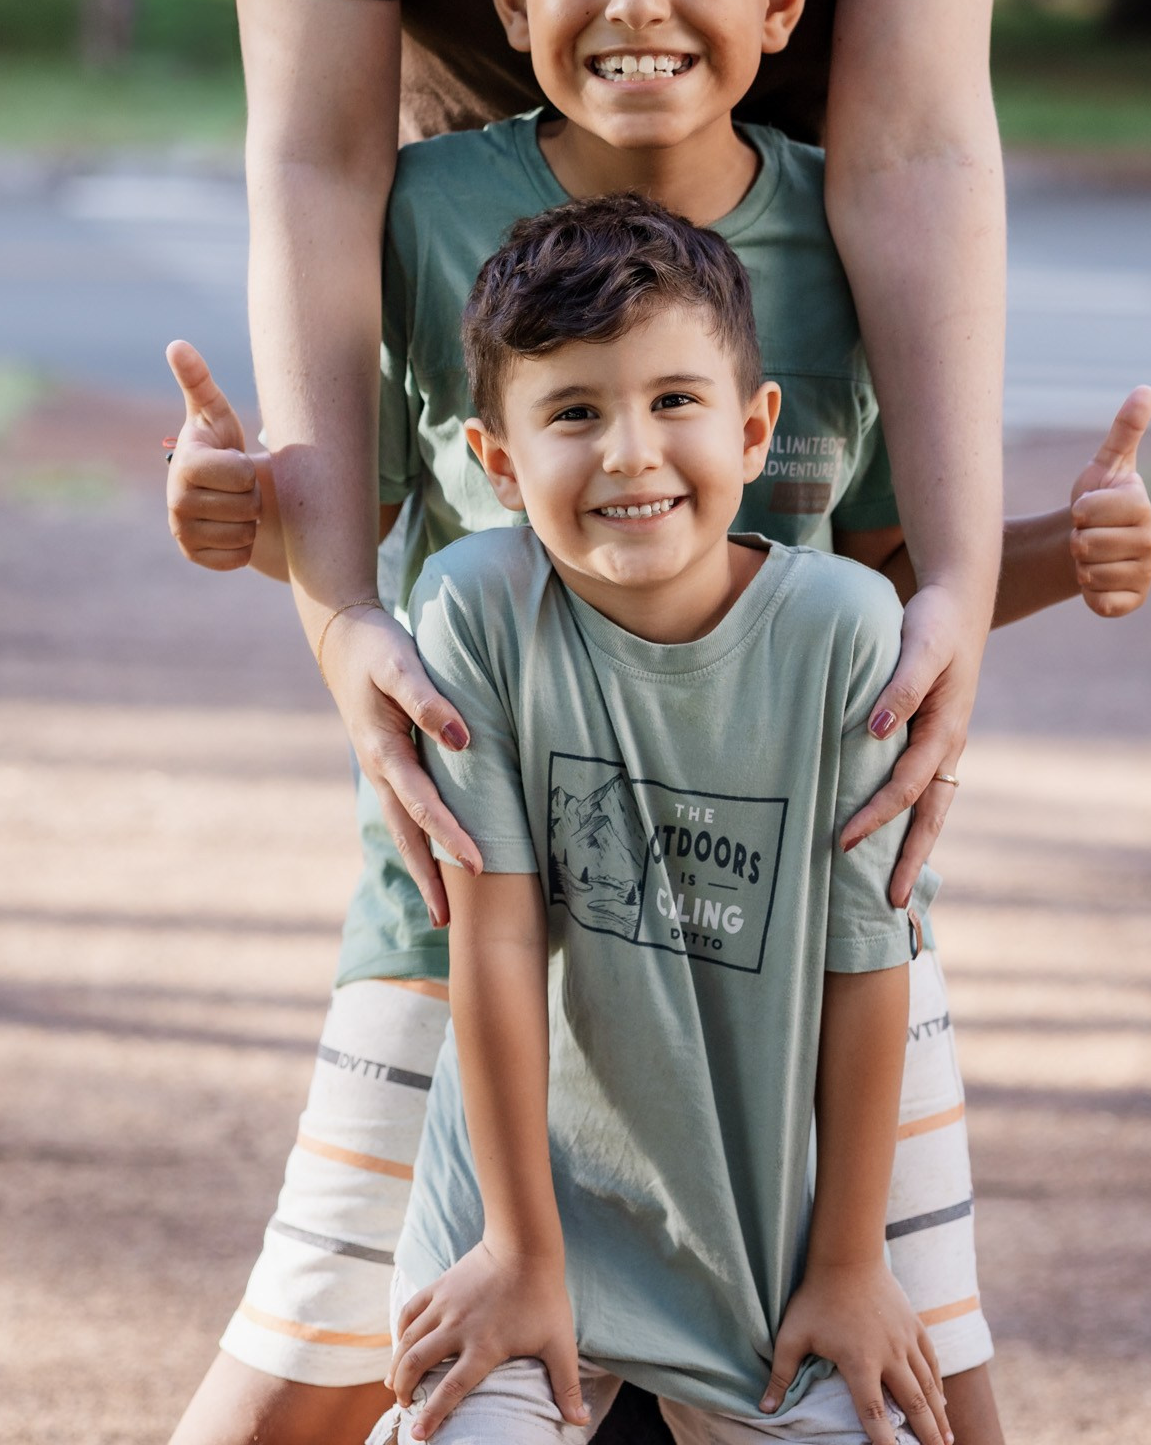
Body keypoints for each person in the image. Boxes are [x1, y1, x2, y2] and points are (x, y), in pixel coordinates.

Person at [172, 0, 1041, 1445]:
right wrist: (342, 609)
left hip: (753, 469)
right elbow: (315, 156)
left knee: (898, 1328)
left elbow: (921, 138)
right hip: (521, 449)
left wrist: (958, 570)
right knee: (352, 1313)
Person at [168, 0, 1151, 1445]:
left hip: (788, 919)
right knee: (315, 1356)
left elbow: (838, 589)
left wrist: (1056, 557)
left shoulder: (839, 241)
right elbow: (383, 524)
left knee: (924, 1369)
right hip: (457, 890)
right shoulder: (431, 217)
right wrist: (239, 512)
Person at [381, 193, 956, 1445]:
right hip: (519, 1221)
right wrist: (522, 1251)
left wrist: (851, 1265)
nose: (630, 452)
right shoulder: (475, 607)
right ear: (497, 460)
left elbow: (866, 963)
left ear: (757, 430)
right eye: (574, 411)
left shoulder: (846, 632)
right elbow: (487, 939)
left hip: (763, 1241)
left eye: (674, 401)